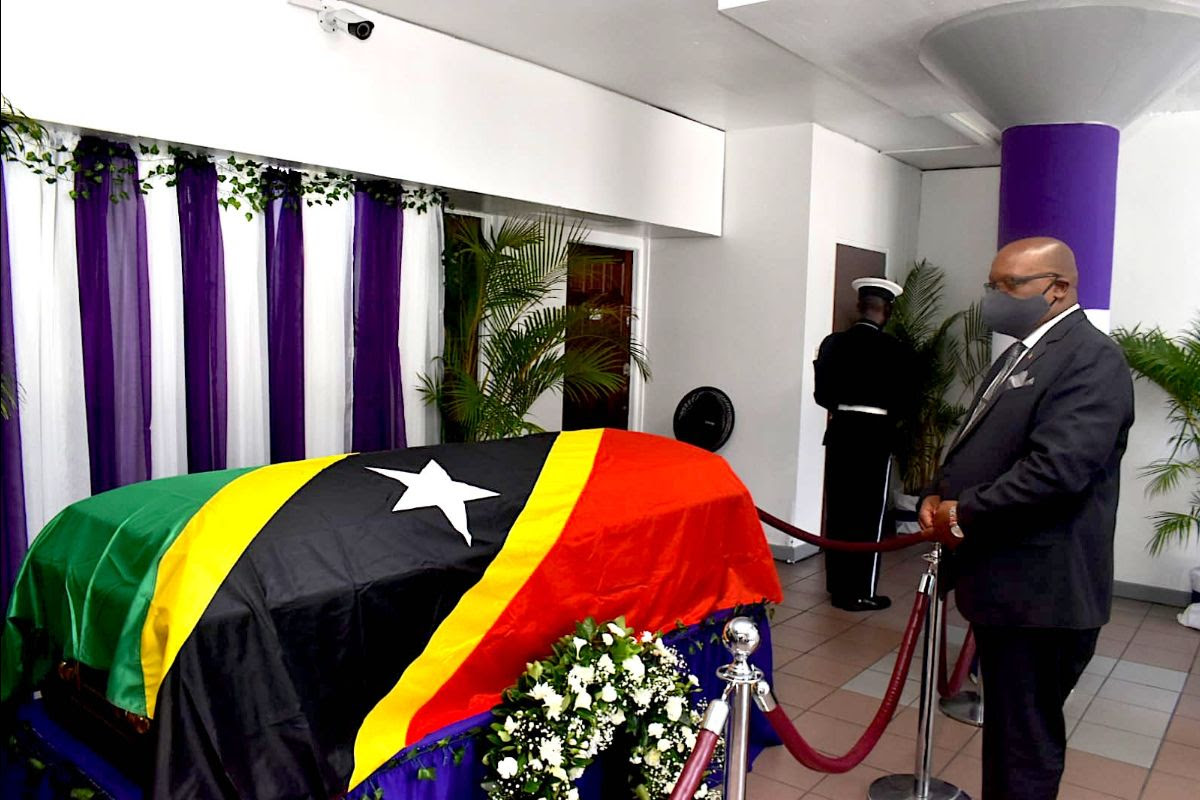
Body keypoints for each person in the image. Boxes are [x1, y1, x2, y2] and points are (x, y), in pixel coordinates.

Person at [922, 237, 1134, 799]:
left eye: (1009, 285)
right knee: (1010, 733)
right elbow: (981, 440)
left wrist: (964, 510)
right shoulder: (1023, 352)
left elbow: (1058, 471)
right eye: (992, 285)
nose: (994, 297)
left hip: (1042, 592)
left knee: (1025, 745)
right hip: (1006, 585)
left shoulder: (1091, 357)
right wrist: (936, 492)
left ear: (1058, 288)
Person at [814, 277, 913, 612]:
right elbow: (905, 401)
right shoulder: (895, 349)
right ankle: (860, 592)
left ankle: (837, 586)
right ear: (887, 311)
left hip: (841, 432)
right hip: (875, 436)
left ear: (859, 306)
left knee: (840, 511)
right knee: (868, 517)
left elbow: (822, 396)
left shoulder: (833, 344)